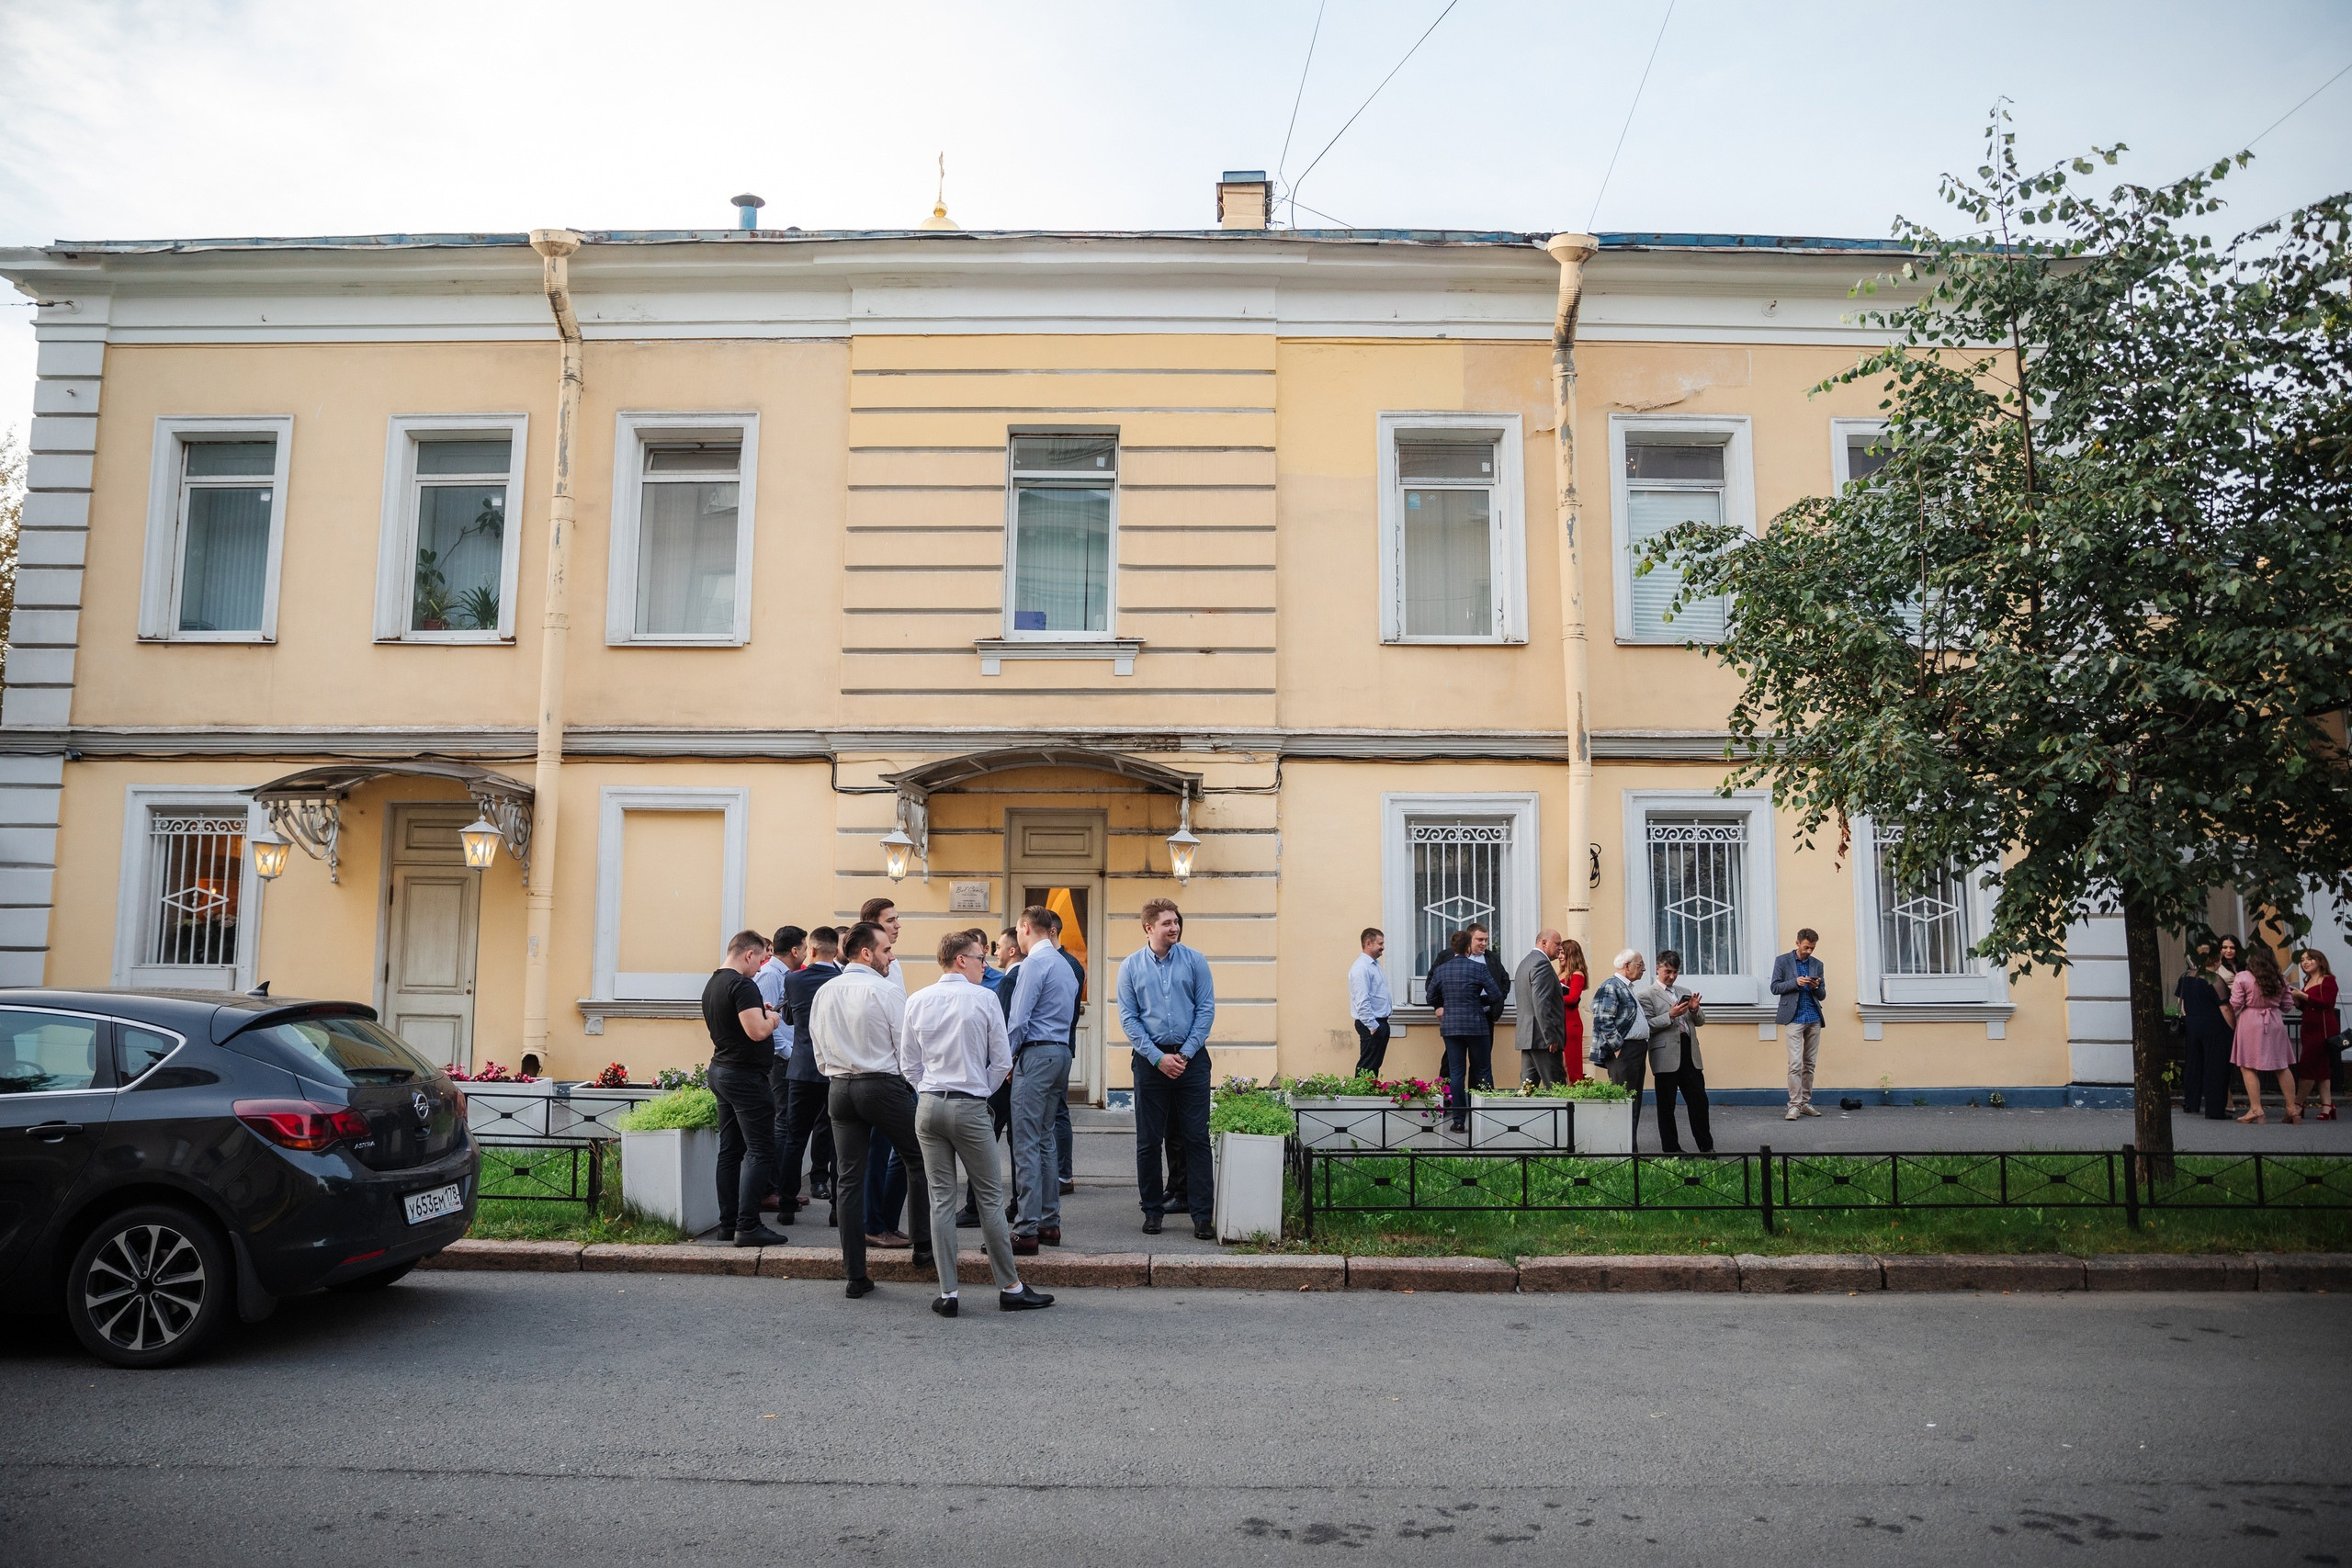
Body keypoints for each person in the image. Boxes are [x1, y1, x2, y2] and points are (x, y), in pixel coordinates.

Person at [903, 927, 1054, 1316]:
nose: (984, 964)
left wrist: (931, 1090)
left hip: (929, 1105)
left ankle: (948, 1293)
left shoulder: (917, 1000)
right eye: (979, 958)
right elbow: (1002, 1061)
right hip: (969, 1105)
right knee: (988, 1197)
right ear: (961, 959)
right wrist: (979, 1092)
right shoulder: (985, 998)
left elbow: (908, 1064)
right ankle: (1010, 1286)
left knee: (941, 1199)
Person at [811, 919, 935, 1296]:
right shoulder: (886, 990)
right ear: (866, 953)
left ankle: (855, 1274)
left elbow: (817, 1047)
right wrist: (910, 1085)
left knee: (849, 1178)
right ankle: (924, 1247)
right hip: (881, 1084)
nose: (891, 956)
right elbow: (907, 1049)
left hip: (838, 1087)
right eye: (885, 950)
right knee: (920, 1159)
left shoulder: (825, 991)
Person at [1118, 897, 1217, 1238]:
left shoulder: (1195, 961)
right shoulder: (1130, 967)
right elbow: (1129, 1019)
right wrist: (1158, 1058)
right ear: (1149, 928)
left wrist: (1185, 1055)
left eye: (1176, 921)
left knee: (1196, 1138)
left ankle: (1203, 1214)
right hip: (1150, 1062)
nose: (1174, 927)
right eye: (1167, 923)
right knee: (1149, 1140)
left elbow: (1205, 1011)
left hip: (1191, 1060)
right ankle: (1152, 1211)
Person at [1003, 903, 1080, 1254]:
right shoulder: (1064, 963)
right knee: (1045, 1139)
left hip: (1035, 1053)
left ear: (1024, 928)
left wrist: (1006, 1058)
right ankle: (1049, 1222)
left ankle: (1026, 1228)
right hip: (1061, 1052)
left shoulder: (1034, 962)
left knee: (1026, 1141)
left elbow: (1019, 1018)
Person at [704, 930, 786, 1248]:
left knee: (731, 1150)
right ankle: (748, 1225)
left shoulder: (714, 983)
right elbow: (756, 1032)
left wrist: (758, 1011)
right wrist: (773, 1020)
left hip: (721, 1071)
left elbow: (735, 1022)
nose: (762, 967)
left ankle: (728, 1224)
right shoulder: (742, 984)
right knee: (760, 1149)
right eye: (761, 960)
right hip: (746, 1078)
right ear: (748, 954)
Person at [855, 896, 912, 1244]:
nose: (898, 924)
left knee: (887, 1155)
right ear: (874, 925)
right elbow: (897, 1024)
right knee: (887, 1155)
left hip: (886, 1071)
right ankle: (874, 1225)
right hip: (883, 1072)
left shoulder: (893, 963)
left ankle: (883, 1222)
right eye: (891, 920)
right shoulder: (878, 970)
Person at [779, 928, 842, 1213]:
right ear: (835, 951)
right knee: (837, 1140)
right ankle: (837, 1209)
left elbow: (790, 1018)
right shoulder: (843, 981)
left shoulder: (793, 979)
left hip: (803, 1067)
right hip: (835, 1069)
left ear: (812, 951)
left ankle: (787, 1205)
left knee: (795, 1138)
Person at [753, 925, 808, 1221]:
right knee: (781, 1124)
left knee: (788, 1124)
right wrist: (789, 1055)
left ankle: (783, 1189)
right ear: (796, 950)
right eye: (805, 946)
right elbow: (767, 1020)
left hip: (790, 1058)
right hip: (781, 1060)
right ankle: (769, 1191)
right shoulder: (771, 976)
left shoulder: (784, 975)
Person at [1426, 928, 1504, 1133]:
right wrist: (1478, 1001)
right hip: (1477, 1025)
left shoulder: (1443, 969)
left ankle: (1459, 1120)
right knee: (1483, 1069)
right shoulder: (1478, 969)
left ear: (1453, 948)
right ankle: (1485, 1115)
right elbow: (1496, 995)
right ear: (1468, 947)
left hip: (1451, 1026)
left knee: (1456, 1072)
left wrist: (1448, 1004)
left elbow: (1430, 997)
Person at [1643, 949, 1713, 1154]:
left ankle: (1706, 1147)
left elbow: (1700, 1021)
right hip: (1665, 1056)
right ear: (1658, 968)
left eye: (1675, 972)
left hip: (1689, 1053)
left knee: (1699, 1102)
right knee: (1666, 1106)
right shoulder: (1646, 995)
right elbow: (1646, 1025)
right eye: (1668, 971)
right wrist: (1670, 1015)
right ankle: (1672, 1149)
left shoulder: (1683, 990)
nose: (1672, 976)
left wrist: (1694, 1009)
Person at [2226, 944, 2301, 1125]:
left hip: (2250, 1021)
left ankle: (2256, 1109)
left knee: (2248, 1066)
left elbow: (2235, 1004)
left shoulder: (2243, 977)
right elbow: (2287, 1006)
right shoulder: (2281, 979)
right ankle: (2292, 1108)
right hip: (2274, 1021)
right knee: (2282, 1066)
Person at [1587, 950, 1651, 1142]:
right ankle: (1623, 1149)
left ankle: (1631, 1149)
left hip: (1635, 1050)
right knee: (1625, 1102)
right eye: (1640, 965)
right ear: (1627, 965)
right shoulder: (1611, 986)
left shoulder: (1626, 987)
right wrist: (1617, 1047)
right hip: (1625, 1052)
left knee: (1633, 1101)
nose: (1644, 969)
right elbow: (1603, 1019)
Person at [2175, 941, 2234, 1121]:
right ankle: (2214, 1110)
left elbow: (2182, 1004)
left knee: (2193, 1064)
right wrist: (2234, 1028)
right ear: (2216, 961)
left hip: (2193, 1024)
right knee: (2216, 1067)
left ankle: (2191, 1103)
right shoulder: (2215, 980)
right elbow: (2225, 1008)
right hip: (2215, 1026)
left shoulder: (2185, 976)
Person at [1771, 929, 1827, 1120]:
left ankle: (1805, 1103)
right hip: (1793, 1017)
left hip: (1813, 1017)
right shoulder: (1782, 961)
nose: (1809, 951)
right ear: (1797, 943)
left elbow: (1823, 995)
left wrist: (1816, 986)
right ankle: (1794, 1105)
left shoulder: (1817, 964)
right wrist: (1795, 982)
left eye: (1812, 948)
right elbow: (1775, 987)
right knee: (1795, 1063)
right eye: (1806, 947)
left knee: (1809, 1064)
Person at [1510, 929, 1568, 1087]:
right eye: (1557, 944)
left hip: (1529, 1037)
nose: (1560, 948)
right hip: (1543, 1040)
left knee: (1528, 1090)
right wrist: (1551, 1036)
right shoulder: (1542, 964)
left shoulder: (1526, 962)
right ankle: (1562, 1114)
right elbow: (1542, 1004)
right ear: (1544, 943)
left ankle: (1526, 1113)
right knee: (1557, 1087)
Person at [2291, 949, 2340, 1122]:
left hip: (2323, 1029)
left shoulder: (2329, 980)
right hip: (2308, 1027)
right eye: (2303, 960)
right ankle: (2328, 1106)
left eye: (2309, 959)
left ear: (2319, 961)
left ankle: (2297, 1104)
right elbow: (2307, 1006)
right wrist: (2297, 1000)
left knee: (2307, 1065)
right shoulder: (2308, 980)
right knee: (2321, 1067)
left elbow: (2327, 1004)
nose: (2305, 962)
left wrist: (2302, 995)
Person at [1349, 927, 1395, 1078]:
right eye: (1380, 943)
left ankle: (1369, 1096)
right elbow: (1362, 1001)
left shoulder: (1373, 965)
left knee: (1373, 1066)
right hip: (1372, 1024)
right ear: (1368, 943)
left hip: (1379, 1022)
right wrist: (1373, 1026)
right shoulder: (1361, 968)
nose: (1383, 947)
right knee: (1367, 1066)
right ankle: (1361, 1100)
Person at [1555, 938, 1590, 1083]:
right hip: (1560, 1023)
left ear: (1572, 954)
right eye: (1560, 952)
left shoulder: (1577, 974)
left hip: (1571, 1024)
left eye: (1563, 953)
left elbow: (1573, 998)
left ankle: (1574, 1098)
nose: (1560, 956)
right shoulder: (1560, 973)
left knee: (1571, 1065)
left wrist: (1553, 999)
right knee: (1560, 1065)